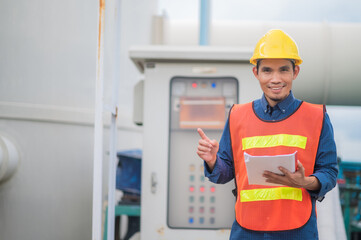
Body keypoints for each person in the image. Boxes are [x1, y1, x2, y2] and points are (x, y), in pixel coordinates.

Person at [196, 29, 338, 239]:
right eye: (267, 71)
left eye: (283, 70)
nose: (276, 79)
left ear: (295, 72)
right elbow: (224, 174)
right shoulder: (237, 116)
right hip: (247, 230)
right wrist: (212, 161)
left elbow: (329, 172)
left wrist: (305, 182)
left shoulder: (316, 117)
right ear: (256, 73)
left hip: (298, 231)